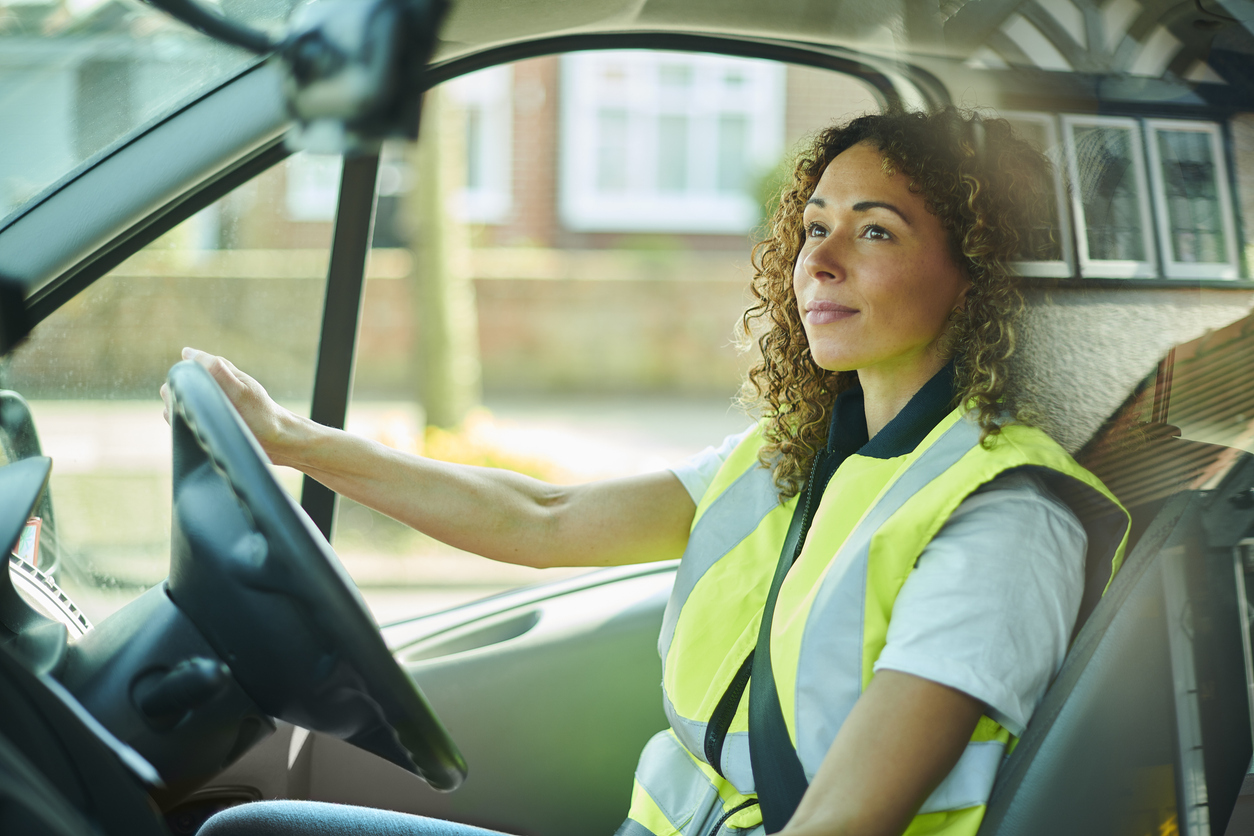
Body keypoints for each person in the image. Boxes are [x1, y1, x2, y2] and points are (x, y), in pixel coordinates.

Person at [188, 108, 1128, 836]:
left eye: (875, 233)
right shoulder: (796, 453)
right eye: (813, 227)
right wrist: (294, 440)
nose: (821, 261)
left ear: (978, 278)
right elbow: (544, 517)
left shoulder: (1002, 517)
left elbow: (843, 824)